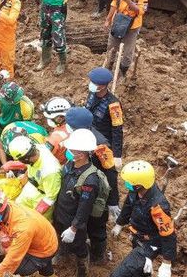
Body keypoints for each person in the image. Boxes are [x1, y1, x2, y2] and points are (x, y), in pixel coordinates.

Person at [65, 106, 120, 264]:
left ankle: (98, 256)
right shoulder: (76, 138)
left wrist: (113, 201)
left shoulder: (100, 145)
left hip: (96, 187)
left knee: (96, 222)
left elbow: (110, 172)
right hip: (80, 182)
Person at [54, 129, 110, 276]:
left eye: (72, 150)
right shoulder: (69, 165)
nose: (69, 152)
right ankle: (63, 253)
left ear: (82, 154)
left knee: (79, 247)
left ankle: (83, 269)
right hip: (61, 213)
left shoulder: (90, 180)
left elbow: (84, 208)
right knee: (60, 236)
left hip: (74, 220)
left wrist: (74, 228)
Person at [110, 160, 176, 277]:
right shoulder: (135, 191)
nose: (126, 184)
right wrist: (119, 224)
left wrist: (166, 263)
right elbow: (128, 206)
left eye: (128, 182)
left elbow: (168, 234)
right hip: (137, 236)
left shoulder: (158, 206)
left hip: (150, 243)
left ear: (139, 185)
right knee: (141, 270)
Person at [32, 0, 78, 75]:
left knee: (58, 35)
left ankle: (62, 63)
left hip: (58, 9)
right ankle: (45, 59)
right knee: (44, 34)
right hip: (45, 7)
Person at [104, 0, 149, 78]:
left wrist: (128, 1)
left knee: (128, 53)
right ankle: (108, 69)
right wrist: (108, 19)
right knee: (112, 47)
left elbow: (141, 11)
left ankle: (122, 73)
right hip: (118, 21)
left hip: (132, 25)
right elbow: (114, 2)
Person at [7, 136, 61, 220]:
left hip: (43, 197)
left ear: (26, 159)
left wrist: (34, 216)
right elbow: (29, 165)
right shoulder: (36, 148)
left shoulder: (51, 171)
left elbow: (49, 198)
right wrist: (12, 165)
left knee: (37, 223)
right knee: (17, 210)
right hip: (32, 186)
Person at [85, 67, 124, 169]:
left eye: (94, 83)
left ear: (102, 86)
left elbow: (117, 130)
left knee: (105, 169)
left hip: (103, 143)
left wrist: (117, 155)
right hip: (89, 135)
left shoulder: (113, 105)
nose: (91, 84)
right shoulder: (92, 93)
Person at [42, 96, 72, 163]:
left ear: (60, 118)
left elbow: (41, 158)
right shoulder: (75, 124)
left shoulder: (54, 139)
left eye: (51, 118)